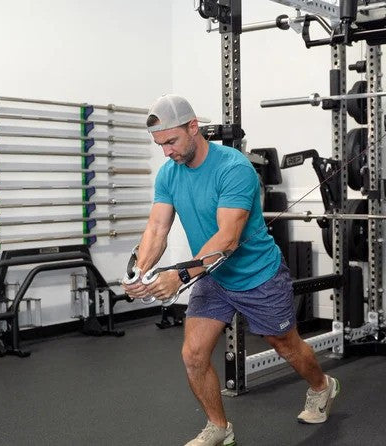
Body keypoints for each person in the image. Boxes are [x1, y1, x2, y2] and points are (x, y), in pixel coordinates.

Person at [122, 94, 340, 446]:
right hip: (213, 277)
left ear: (194, 128)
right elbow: (157, 229)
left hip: (259, 276)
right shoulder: (169, 175)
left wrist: (177, 276)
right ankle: (219, 427)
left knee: (286, 347)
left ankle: (321, 386)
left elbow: (227, 239)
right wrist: (139, 272)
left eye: (171, 141)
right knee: (193, 355)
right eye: (160, 144)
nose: (167, 152)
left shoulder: (233, 168)